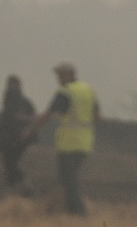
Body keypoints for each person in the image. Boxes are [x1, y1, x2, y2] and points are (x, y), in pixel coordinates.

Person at [28, 62, 100, 215]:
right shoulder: (88, 90)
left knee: (68, 179)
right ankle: (59, 210)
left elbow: (48, 114)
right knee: (67, 178)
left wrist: (30, 130)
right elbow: (98, 117)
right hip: (85, 143)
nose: (58, 79)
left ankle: (79, 213)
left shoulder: (65, 92)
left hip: (68, 143)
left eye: (59, 75)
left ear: (68, 75)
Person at [0, 75, 37, 191]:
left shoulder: (21, 102)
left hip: (16, 137)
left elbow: (31, 118)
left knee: (10, 164)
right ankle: (18, 187)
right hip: (13, 137)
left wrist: (21, 119)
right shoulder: (16, 101)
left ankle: (23, 185)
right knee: (9, 164)